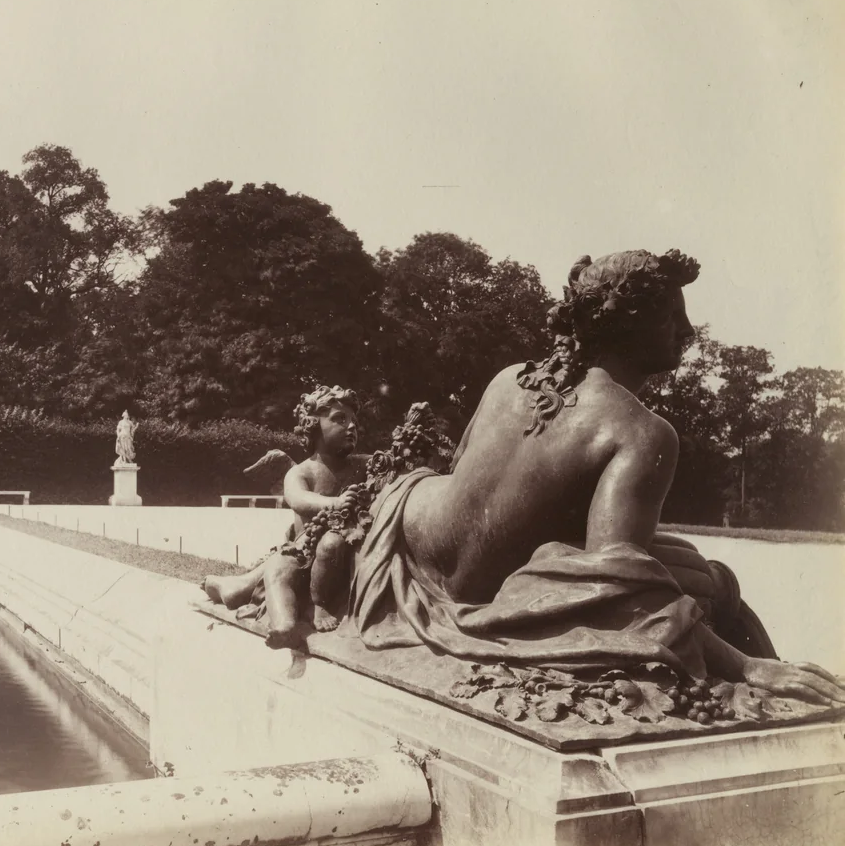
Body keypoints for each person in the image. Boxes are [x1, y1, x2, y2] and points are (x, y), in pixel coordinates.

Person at [348, 249, 844, 706]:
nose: (688, 330)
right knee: (699, 580)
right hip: (459, 579)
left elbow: (476, 487)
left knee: (683, 564)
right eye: (672, 316)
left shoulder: (510, 377)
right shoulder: (641, 431)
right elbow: (615, 583)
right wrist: (748, 665)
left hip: (409, 528)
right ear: (630, 324)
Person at [202, 385, 365, 647]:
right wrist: (334, 503)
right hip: (303, 548)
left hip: (342, 547)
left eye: (354, 421)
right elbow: (298, 498)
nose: (351, 427)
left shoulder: (362, 465)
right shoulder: (302, 471)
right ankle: (283, 625)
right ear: (312, 426)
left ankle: (231, 587)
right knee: (279, 575)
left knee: (247, 585)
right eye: (339, 419)